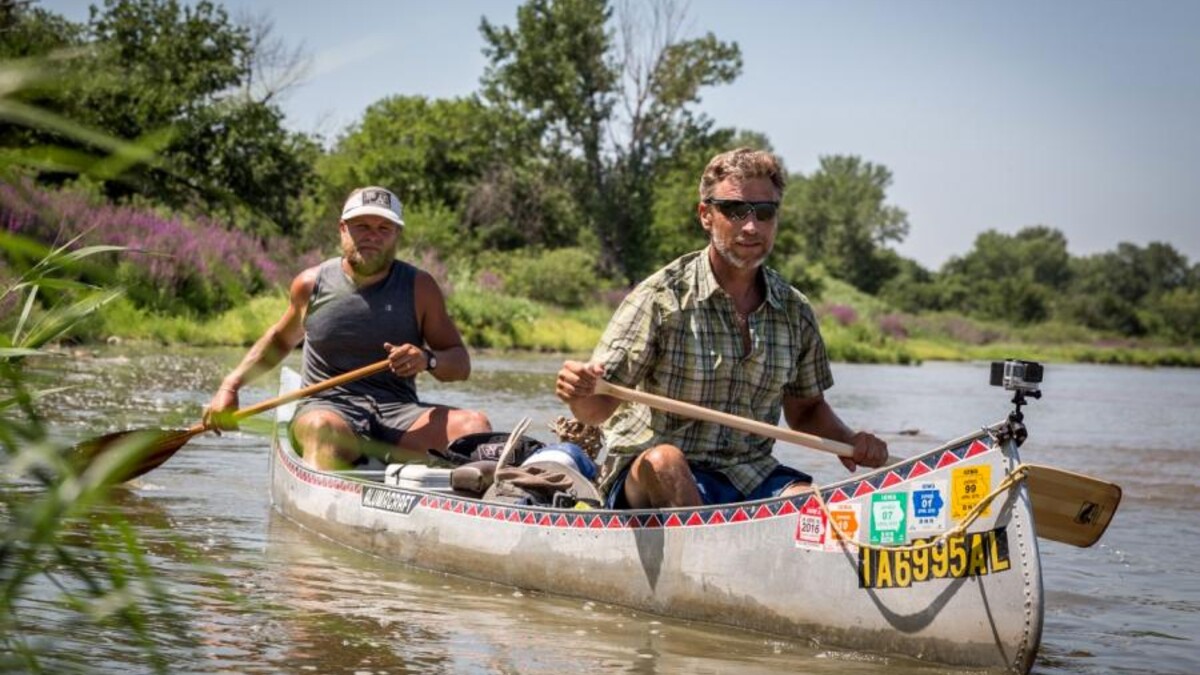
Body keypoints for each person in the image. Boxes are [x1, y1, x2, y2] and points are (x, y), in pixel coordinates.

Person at [555, 148, 888, 509]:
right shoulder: (660, 298)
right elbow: (596, 408)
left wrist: (851, 440)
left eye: (764, 213)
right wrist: (579, 391)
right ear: (706, 215)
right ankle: (700, 555)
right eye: (734, 210)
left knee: (811, 507)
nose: (751, 226)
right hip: (648, 473)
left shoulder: (795, 311)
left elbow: (805, 410)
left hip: (750, 473)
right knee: (666, 462)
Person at [203, 186, 491, 470]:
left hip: (398, 412)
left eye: (384, 228)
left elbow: (460, 363)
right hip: (327, 409)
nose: (372, 237)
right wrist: (230, 386)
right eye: (362, 226)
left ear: (397, 235)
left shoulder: (420, 287)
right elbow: (280, 340)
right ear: (343, 229)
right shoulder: (310, 284)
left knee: (474, 426)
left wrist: (427, 359)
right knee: (323, 429)